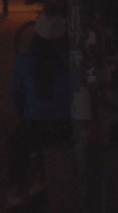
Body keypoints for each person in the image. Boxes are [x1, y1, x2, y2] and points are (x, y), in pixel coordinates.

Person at [8, 11, 73, 207]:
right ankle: (42, 178)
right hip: (66, 125)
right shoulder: (71, 59)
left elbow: (15, 96)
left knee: (17, 143)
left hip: (35, 127)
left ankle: (16, 191)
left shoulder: (25, 60)